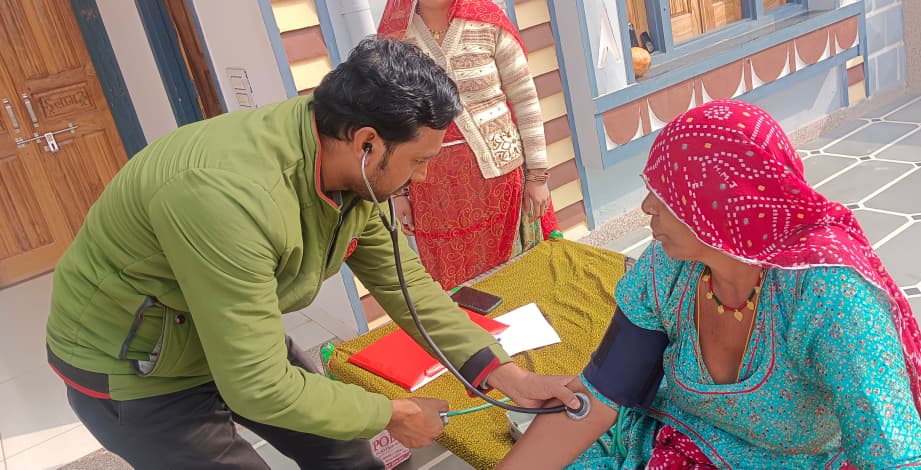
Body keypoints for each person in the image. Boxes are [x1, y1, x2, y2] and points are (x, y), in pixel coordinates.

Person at [45, 37, 578, 469]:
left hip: (222, 332)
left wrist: (508, 376)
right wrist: (392, 413)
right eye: (419, 161)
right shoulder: (227, 197)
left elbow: (409, 289)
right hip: (136, 367)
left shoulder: (350, 163)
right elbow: (257, 385)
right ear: (367, 143)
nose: (422, 178)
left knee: (348, 457)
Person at [498, 100, 921, 469]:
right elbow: (602, 394)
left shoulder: (829, 294)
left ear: (722, 202)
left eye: (667, 193)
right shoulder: (668, 268)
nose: (647, 206)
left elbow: (890, 453)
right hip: (679, 444)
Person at [379, 0, 559, 290]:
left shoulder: (488, 21)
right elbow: (391, 122)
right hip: (434, 196)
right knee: (461, 291)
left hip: (500, 184)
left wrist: (537, 177)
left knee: (517, 281)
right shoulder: (397, 36)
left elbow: (525, 100)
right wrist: (399, 192)